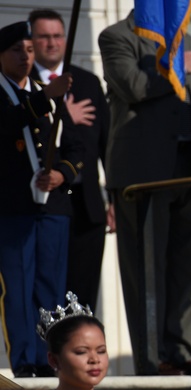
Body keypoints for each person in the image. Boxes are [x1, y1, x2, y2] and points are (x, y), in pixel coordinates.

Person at [99, 10, 191, 376]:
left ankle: (180, 350)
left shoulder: (189, 42)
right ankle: (152, 357)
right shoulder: (118, 36)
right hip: (143, 173)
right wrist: (175, 69)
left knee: (186, 269)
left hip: (189, 169)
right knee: (146, 270)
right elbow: (132, 86)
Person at [0, 21, 84, 378]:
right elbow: (6, 124)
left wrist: (62, 173)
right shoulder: (27, 95)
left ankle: (49, 358)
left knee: (50, 286)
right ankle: (25, 360)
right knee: (18, 287)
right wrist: (44, 98)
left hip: (52, 207)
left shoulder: (44, 91)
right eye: (17, 50)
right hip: (13, 207)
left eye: (30, 50)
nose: (26, 56)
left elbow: (77, 146)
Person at [30, 9, 110, 312]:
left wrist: (113, 197)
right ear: (32, 41)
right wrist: (60, 112)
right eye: (44, 36)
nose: (52, 43)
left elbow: (106, 141)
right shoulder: (23, 83)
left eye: (57, 36)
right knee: (47, 296)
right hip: (45, 204)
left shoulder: (88, 82)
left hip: (88, 206)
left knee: (84, 293)